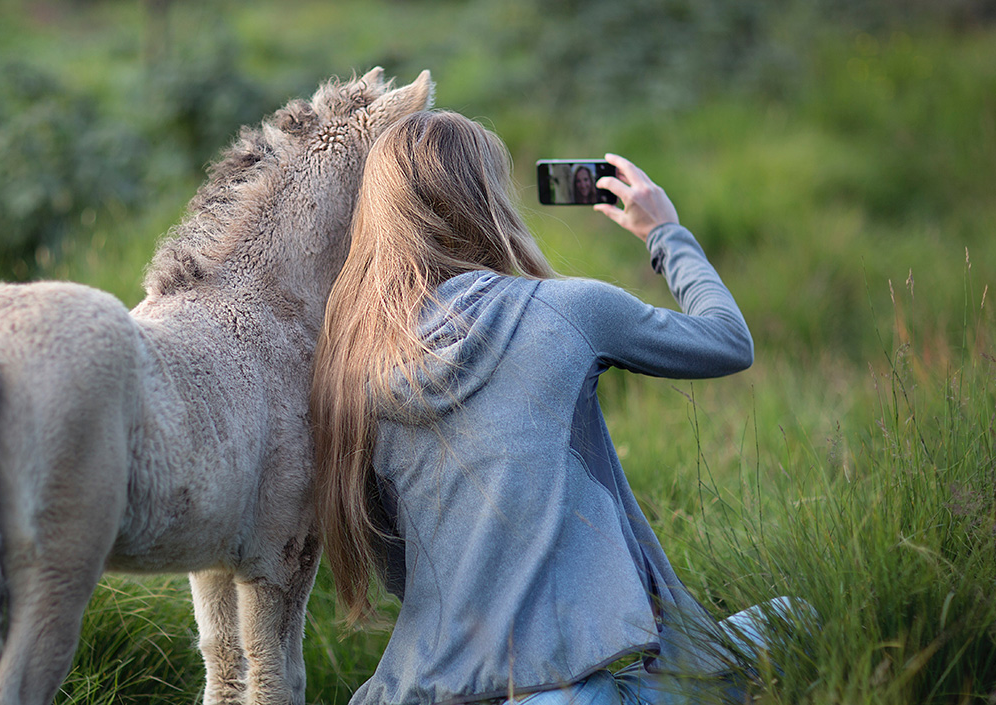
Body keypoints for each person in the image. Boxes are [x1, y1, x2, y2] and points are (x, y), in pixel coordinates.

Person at [310, 111, 795, 705]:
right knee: (796, 618)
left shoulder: (353, 373)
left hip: (419, 690)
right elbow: (728, 341)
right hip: (569, 690)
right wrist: (664, 232)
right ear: (487, 200)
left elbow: (396, 569)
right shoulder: (569, 310)